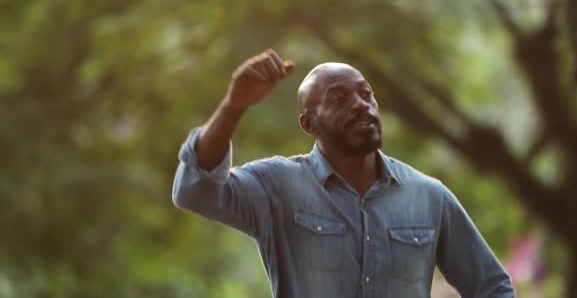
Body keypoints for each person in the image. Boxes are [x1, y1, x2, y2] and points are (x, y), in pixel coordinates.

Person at [172, 49, 515, 297]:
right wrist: (234, 106)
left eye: (366, 94)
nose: (359, 104)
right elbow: (194, 189)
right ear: (309, 124)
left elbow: (492, 288)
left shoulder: (428, 196)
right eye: (338, 99)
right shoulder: (276, 187)